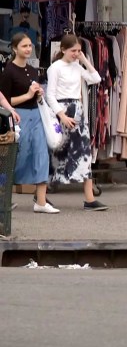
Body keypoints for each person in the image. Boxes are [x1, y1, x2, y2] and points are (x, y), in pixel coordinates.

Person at [46, 34, 108, 211]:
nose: (76, 54)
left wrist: (84, 60)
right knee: (57, 152)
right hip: (61, 108)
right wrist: (62, 115)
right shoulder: (55, 68)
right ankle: (42, 193)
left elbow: (95, 78)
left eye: (78, 50)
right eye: (73, 51)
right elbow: (50, 94)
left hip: (77, 107)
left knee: (83, 152)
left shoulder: (77, 66)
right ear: (63, 50)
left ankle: (89, 198)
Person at [0, 33, 55, 213]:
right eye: (24, 46)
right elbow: (5, 99)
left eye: (30, 46)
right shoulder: (9, 71)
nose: (28, 49)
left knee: (41, 154)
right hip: (19, 116)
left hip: (36, 114)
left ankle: (40, 201)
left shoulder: (32, 70)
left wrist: (39, 94)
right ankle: (4, 199)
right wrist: (28, 95)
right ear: (15, 48)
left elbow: (35, 94)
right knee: (18, 158)